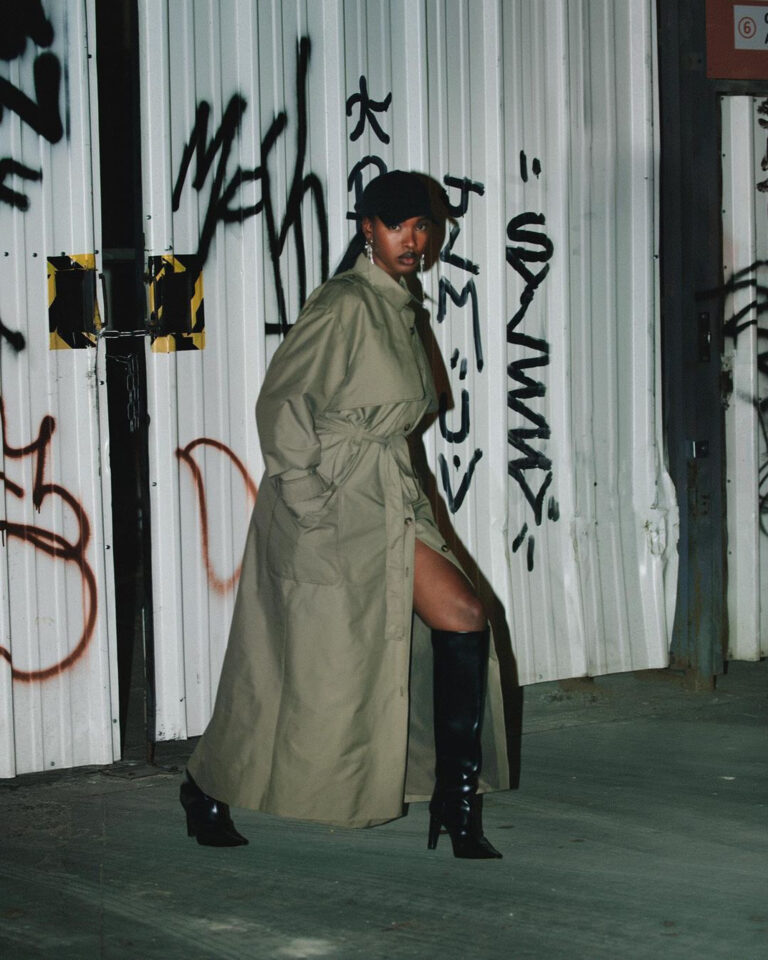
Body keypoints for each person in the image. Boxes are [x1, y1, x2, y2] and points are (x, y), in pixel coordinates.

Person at [180, 170, 509, 859]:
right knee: (293, 670)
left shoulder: (398, 303)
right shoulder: (344, 304)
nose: (414, 240)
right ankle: (206, 783)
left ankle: (456, 803)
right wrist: (308, 500)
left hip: (386, 492)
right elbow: (282, 400)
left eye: (423, 226)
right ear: (368, 229)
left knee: (462, 614)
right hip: (328, 498)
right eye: (398, 226)